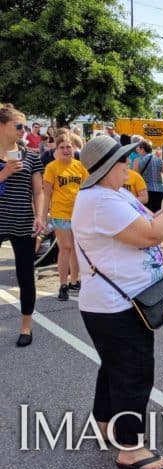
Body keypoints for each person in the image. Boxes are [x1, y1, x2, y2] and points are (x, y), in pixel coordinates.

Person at [72, 135, 163, 469]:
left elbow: (154, 223)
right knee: (133, 373)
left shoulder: (112, 194)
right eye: (122, 160)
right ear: (106, 168)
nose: (128, 163)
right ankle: (130, 447)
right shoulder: (102, 201)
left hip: (121, 301)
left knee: (114, 367)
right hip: (117, 305)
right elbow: (151, 234)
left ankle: (105, 425)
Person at [0, 104, 46, 346]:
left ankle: (26, 327)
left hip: (22, 220)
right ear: (2, 126)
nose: (23, 130)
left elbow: (38, 192)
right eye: (18, 126)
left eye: (24, 126)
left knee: (25, 274)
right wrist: (5, 172)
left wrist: (40, 216)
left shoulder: (30, 155)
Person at [42, 133, 89, 301]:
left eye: (68, 147)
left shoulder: (80, 166)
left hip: (79, 213)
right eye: (62, 147)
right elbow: (46, 194)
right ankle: (63, 284)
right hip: (60, 213)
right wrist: (42, 216)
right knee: (66, 247)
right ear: (57, 149)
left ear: (74, 148)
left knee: (77, 248)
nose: (65, 150)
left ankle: (74, 281)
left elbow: (87, 190)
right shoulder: (52, 168)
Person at [133, 139, 163, 212]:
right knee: (157, 213)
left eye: (138, 148)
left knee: (146, 213)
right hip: (159, 190)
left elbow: (136, 177)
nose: (137, 150)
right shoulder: (158, 160)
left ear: (142, 149)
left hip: (145, 190)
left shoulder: (137, 161)